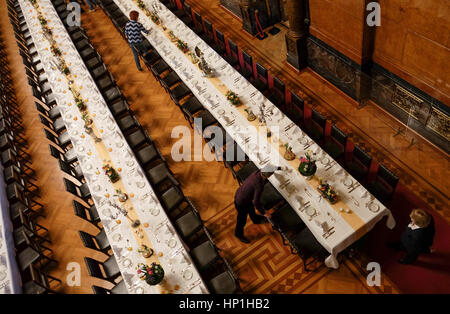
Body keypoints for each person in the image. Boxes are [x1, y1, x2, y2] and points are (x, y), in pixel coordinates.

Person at [234, 165, 278, 244]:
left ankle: (256, 220)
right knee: (241, 220)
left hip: (241, 194)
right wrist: (264, 213)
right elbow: (256, 202)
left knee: (251, 209)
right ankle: (238, 234)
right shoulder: (259, 185)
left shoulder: (257, 172)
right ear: (268, 176)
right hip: (241, 202)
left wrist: (278, 168)